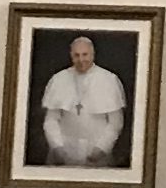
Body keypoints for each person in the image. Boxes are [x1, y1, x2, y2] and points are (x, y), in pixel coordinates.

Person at [33, 29, 128, 167]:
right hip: (64, 151)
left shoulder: (109, 79)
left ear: (93, 54)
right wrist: (57, 147)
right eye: (76, 55)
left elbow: (116, 123)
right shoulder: (59, 78)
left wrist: (101, 149)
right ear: (71, 55)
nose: (81, 59)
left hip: (97, 151)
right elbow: (51, 120)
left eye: (85, 54)